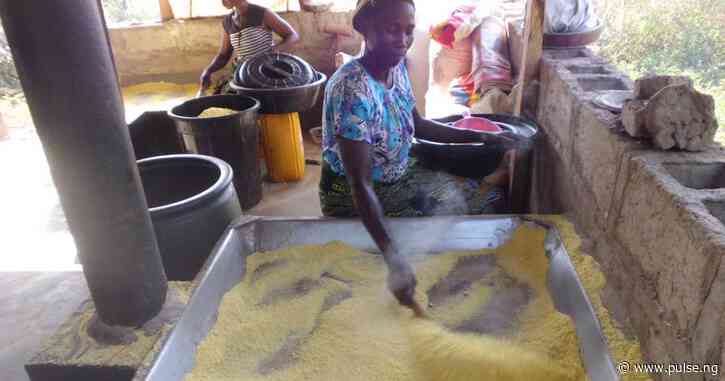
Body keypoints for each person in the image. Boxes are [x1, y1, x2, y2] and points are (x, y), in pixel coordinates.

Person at [319, 0, 514, 310]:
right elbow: (360, 183)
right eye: (391, 29)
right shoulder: (351, 90)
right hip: (352, 193)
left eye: (408, 30)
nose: (402, 40)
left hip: (398, 168)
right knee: (483, 202)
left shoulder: (395, 69)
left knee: (470, 190)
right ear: (365, 28)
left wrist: (482, 136)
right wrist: (394, 260)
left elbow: (419, 125)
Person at [199, 0, 300, 95]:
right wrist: (208, 71)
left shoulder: (262, 13)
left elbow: (292, 36)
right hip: (243, 74)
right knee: (224, 99)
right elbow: (224, 55)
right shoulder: (228, 21)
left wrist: (272, 51)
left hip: (266, 72)